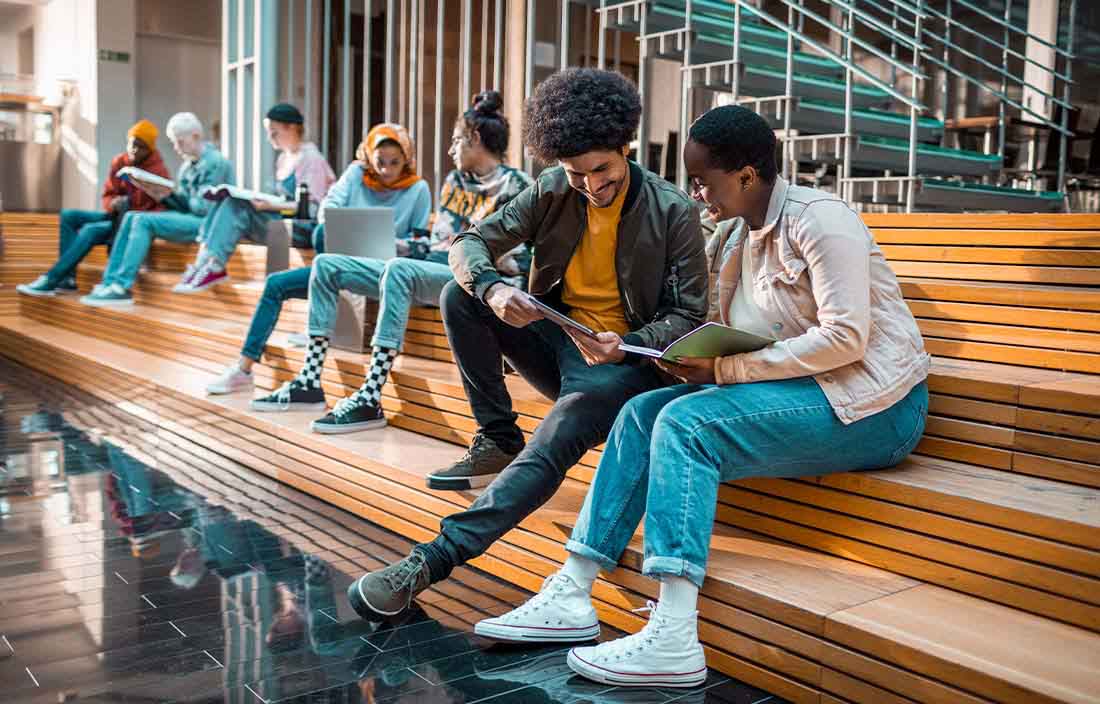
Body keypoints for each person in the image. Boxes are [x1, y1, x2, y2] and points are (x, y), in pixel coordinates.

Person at [473, 105, 931, 687]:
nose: (694, 193)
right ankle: (573, 590)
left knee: (687, 427)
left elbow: (846, 338)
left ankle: (674, 633)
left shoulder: (821, 220)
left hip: (874, 405)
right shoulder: (734, 235)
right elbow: (711, 325)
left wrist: (728, 369)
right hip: (798, 392)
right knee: (642, 413)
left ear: (745, 175)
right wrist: (662, 351)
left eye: (702, 181)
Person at [345, 68, 709, 620]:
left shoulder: (671, 208)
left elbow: (689, 316)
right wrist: (491, 288)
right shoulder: (552, 189)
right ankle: (496, 437)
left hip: (622, 366)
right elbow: (469, 243)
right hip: (558, 336)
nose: (591, 184)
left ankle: (430, 562)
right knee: (458, 296)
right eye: (575, 173)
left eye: (602, 170)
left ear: (625, 147)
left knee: (553, 442)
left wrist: (631, 341)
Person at [247, 93, 534, 438]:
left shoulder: (516, 185)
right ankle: (309, 381)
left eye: (457, 140)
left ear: (475, 140)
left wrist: (486, 257)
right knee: (326, 265)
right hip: (433, 267)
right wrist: (401, 245)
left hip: (479, 280)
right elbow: (434, 241)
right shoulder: (454, 183)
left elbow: (525, 257)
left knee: (398, 269)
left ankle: (371, 395)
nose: (451, 149)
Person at [205, 120, 432, 396]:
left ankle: (314, 368)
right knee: (277, 283)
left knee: (320, 253)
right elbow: (328, 208)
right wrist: (347, 228)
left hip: (383, 273)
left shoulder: (418, 189)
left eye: (394, 163)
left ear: (406, 159)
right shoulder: (356, 174)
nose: (385, 170)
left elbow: (421, 245)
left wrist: (395, 244)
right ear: (368, 156)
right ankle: (243, 369)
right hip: (341, 264)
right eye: (379, 161)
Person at [175, 103, 335, 293]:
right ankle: (204, 263)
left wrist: (271, 205)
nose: (269, 138)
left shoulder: (311, 159)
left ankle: (214, 266)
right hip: (283, 223)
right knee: (227, 199)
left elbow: (311, 210)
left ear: (291, 128)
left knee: (236, 205)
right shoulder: (284, 159)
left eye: (274, 132)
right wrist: (268, 204)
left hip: (304, 229)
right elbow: (284, 204)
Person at [78, 112, 234, 306]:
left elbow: (204, 208)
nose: (176, 148)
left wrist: (170, 197)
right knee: (132, 216)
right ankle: (109, 282)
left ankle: (121, 287)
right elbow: (186, 203)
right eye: (173, 142)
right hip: (190, 218)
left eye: (180, 142)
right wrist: (161, 194)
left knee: (143, 220)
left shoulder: (215, 162)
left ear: (195, 136)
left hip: (210, 224)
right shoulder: (186, 167)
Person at [16, 119, 170, 296]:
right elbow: (108, 194)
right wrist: (113, 202)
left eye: (140, 146)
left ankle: (52, 279)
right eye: (131, 144)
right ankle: (67, 279)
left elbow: (158, 209)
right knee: (68, 216)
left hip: (130, 222)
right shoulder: (120, 161)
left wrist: (132, 200)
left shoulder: (158, 170)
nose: (134, 150)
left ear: (149, 149)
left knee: (91, 230)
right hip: (114, 215)